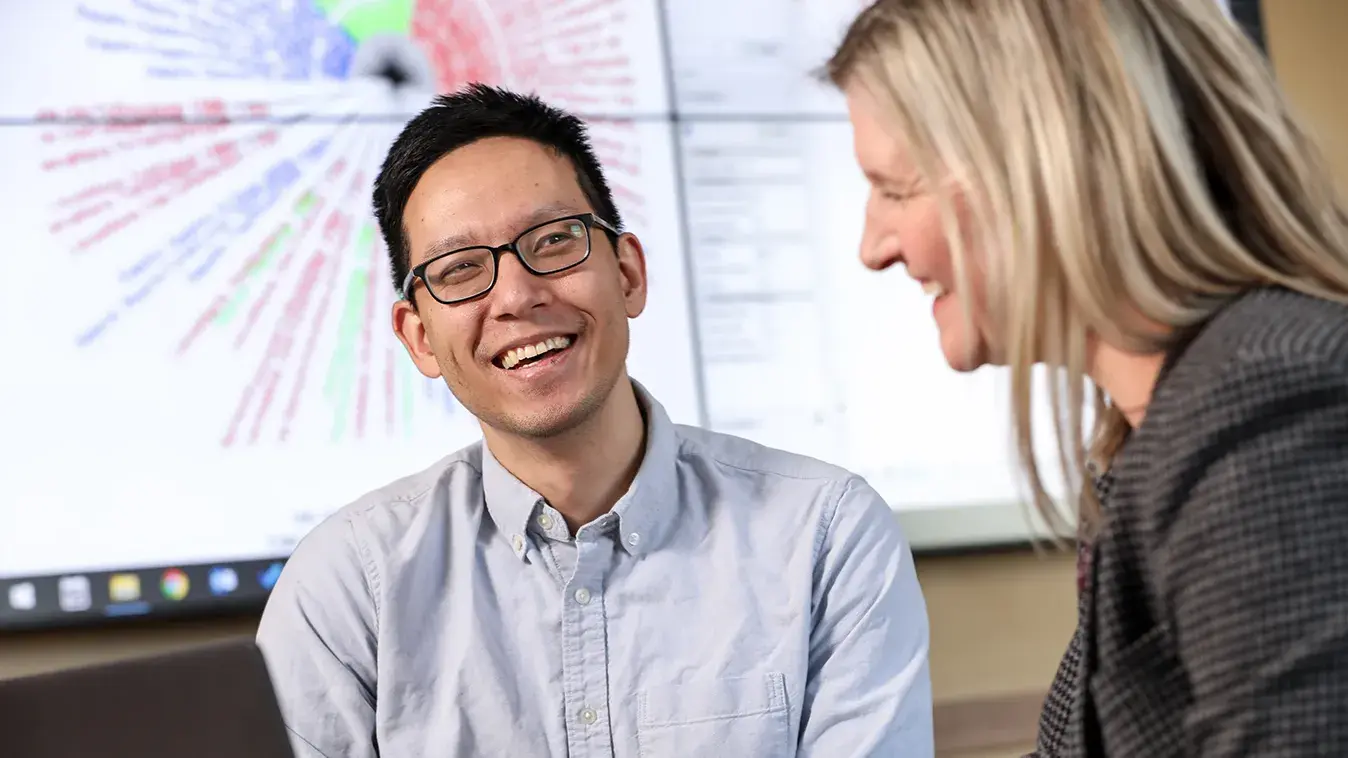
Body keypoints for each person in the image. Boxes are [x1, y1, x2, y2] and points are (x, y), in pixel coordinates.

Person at [255, 83, 933, 758]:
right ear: (420, 338)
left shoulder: (826, 537)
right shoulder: (345, 587)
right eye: (461, 271)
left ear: (629, 272)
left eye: (552, 242)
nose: (517, 296)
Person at [823, 0, 1348, 756]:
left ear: (1040, 165)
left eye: (896, 191)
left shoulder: (1266, 411)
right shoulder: (1153, 438)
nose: (874, 246)